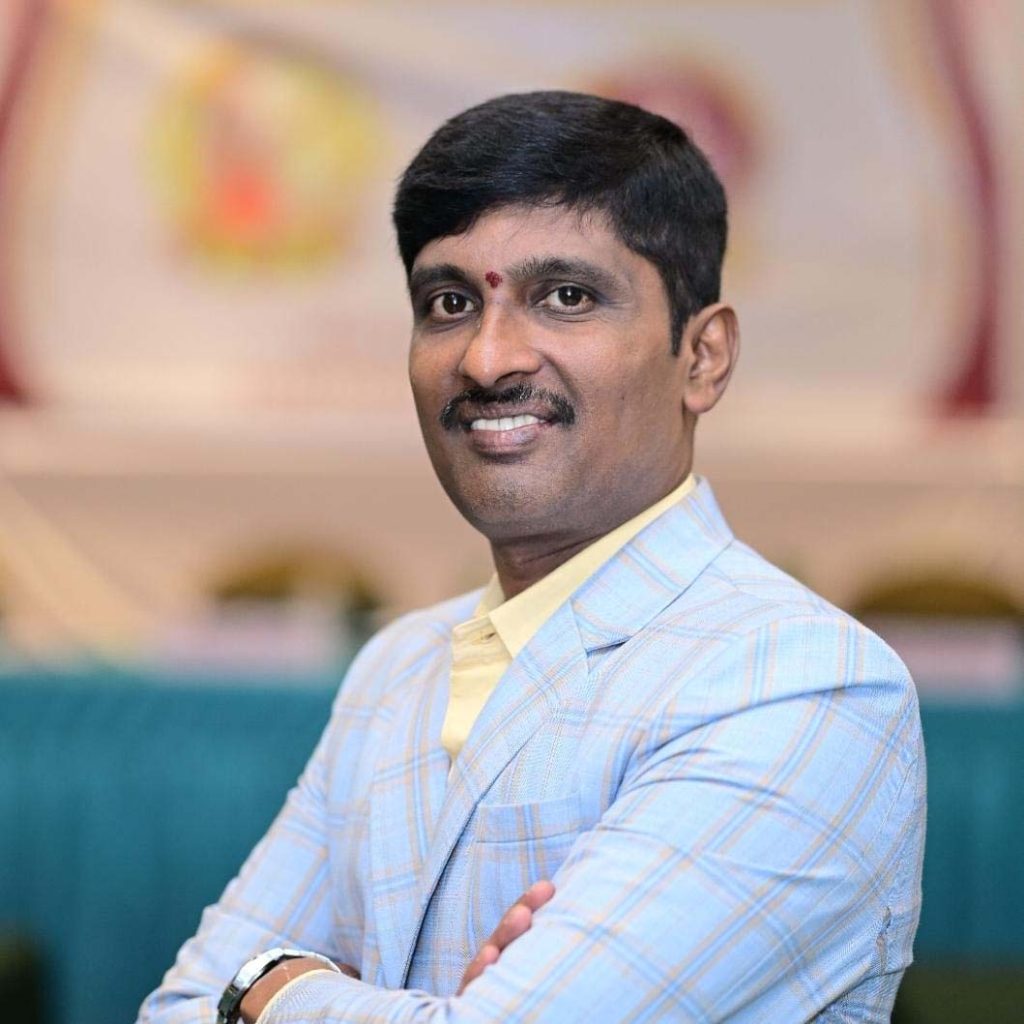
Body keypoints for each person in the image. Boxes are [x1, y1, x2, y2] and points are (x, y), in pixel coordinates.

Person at [138, 91, 925, 1024]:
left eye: (567, 297)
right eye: (450, 303)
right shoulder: (398, 668)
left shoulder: (797, 681)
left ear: (703, 357)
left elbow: (229, 995)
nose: (487, 360)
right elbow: (174, 1009)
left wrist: (271, 986)